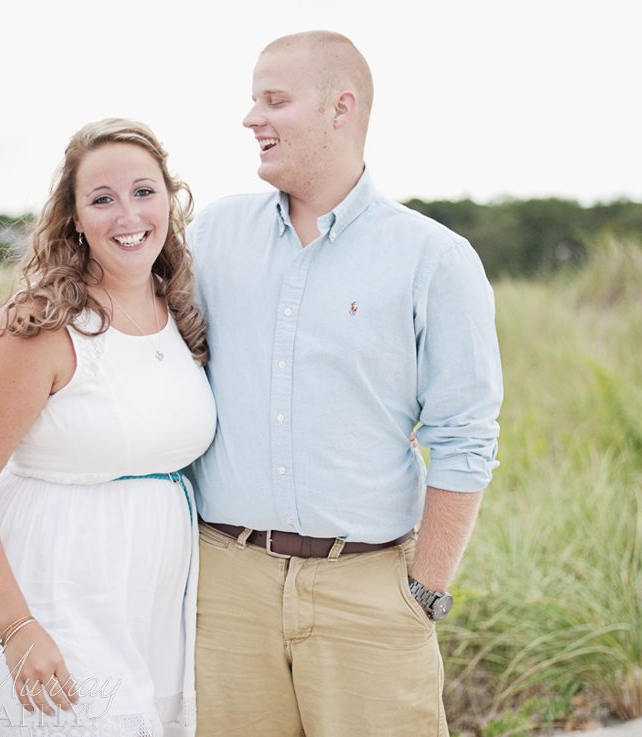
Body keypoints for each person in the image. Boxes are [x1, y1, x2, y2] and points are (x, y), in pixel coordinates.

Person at [187, 31, 503, 737]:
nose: (250, 119)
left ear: (340, 108)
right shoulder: (212, 235)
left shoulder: (435, 259)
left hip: (369, 592)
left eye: (274, 100)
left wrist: (421, 592)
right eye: (252, 100)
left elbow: (464, 436)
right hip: (225, 587)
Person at [0, 118, 216, 736]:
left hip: (150, 605)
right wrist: (17, 627)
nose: (128, 215)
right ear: (75, 218)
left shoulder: (180, 307)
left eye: (144, 191)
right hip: (54, 591)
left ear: (170, 199)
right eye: (102, 199)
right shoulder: (40, 321)